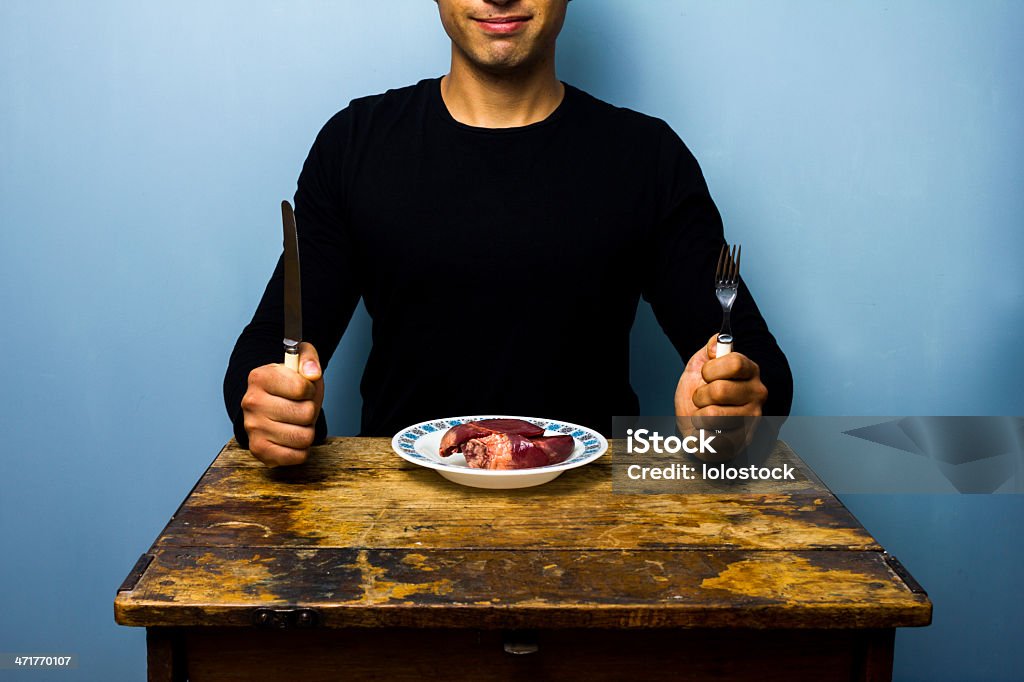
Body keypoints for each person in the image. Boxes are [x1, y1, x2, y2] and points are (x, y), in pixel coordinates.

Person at [224, 0, 792, 467]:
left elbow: (756, 362)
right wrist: (278, 410)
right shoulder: (354, 145)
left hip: (598, 519)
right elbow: (269, 348)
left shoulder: (647, 158)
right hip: (399, 518)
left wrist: (732, 405)